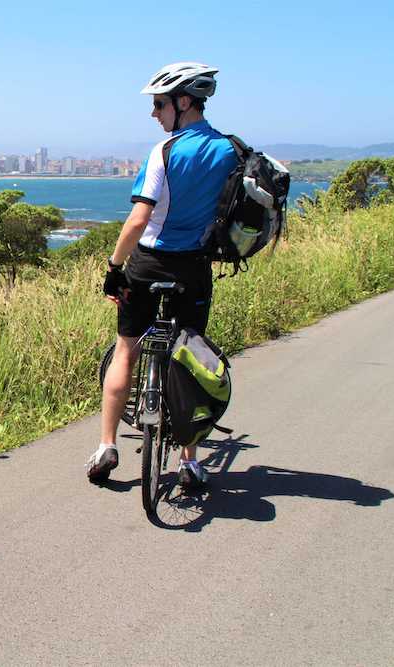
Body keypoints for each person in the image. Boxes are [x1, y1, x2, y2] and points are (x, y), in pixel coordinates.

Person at [87, 62, 237, 489]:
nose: (154, 114)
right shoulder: (230, 152)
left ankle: (107, 446)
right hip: (194, 268)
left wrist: (115, 269)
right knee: (189, 357)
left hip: (149, 263)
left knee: (126, 352)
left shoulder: (165, 151)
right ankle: (189, 460)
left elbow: (138, 220)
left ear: (183, 102)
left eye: (159, 104)